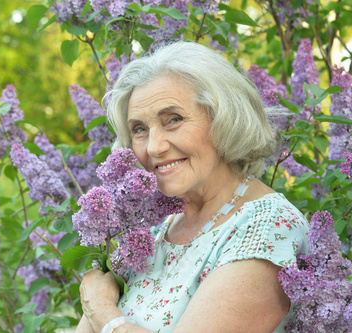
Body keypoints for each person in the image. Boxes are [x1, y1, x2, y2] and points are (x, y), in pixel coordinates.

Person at [76, 41, 309, 333]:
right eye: (139, 129)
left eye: (173, 120)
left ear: (224, 117)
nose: (154, 147)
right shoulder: (152, 230)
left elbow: (97, 310)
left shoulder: (267, 228)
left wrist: (102, 312)